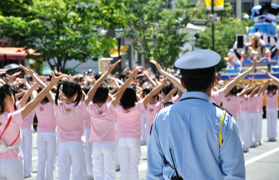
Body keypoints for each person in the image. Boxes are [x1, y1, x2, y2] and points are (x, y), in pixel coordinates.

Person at [146, 49, 245, 179]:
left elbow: (154, 174)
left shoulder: (162, 118)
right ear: (213, 82)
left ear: (182, 82)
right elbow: (234, 175)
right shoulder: (223, 120)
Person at [0, 67, 66, 180]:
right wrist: (50, 85)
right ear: (7, 99)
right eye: (12, 97)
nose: (14, 100)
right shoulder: (14, 117)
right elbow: (35, 101)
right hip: (13, 162)